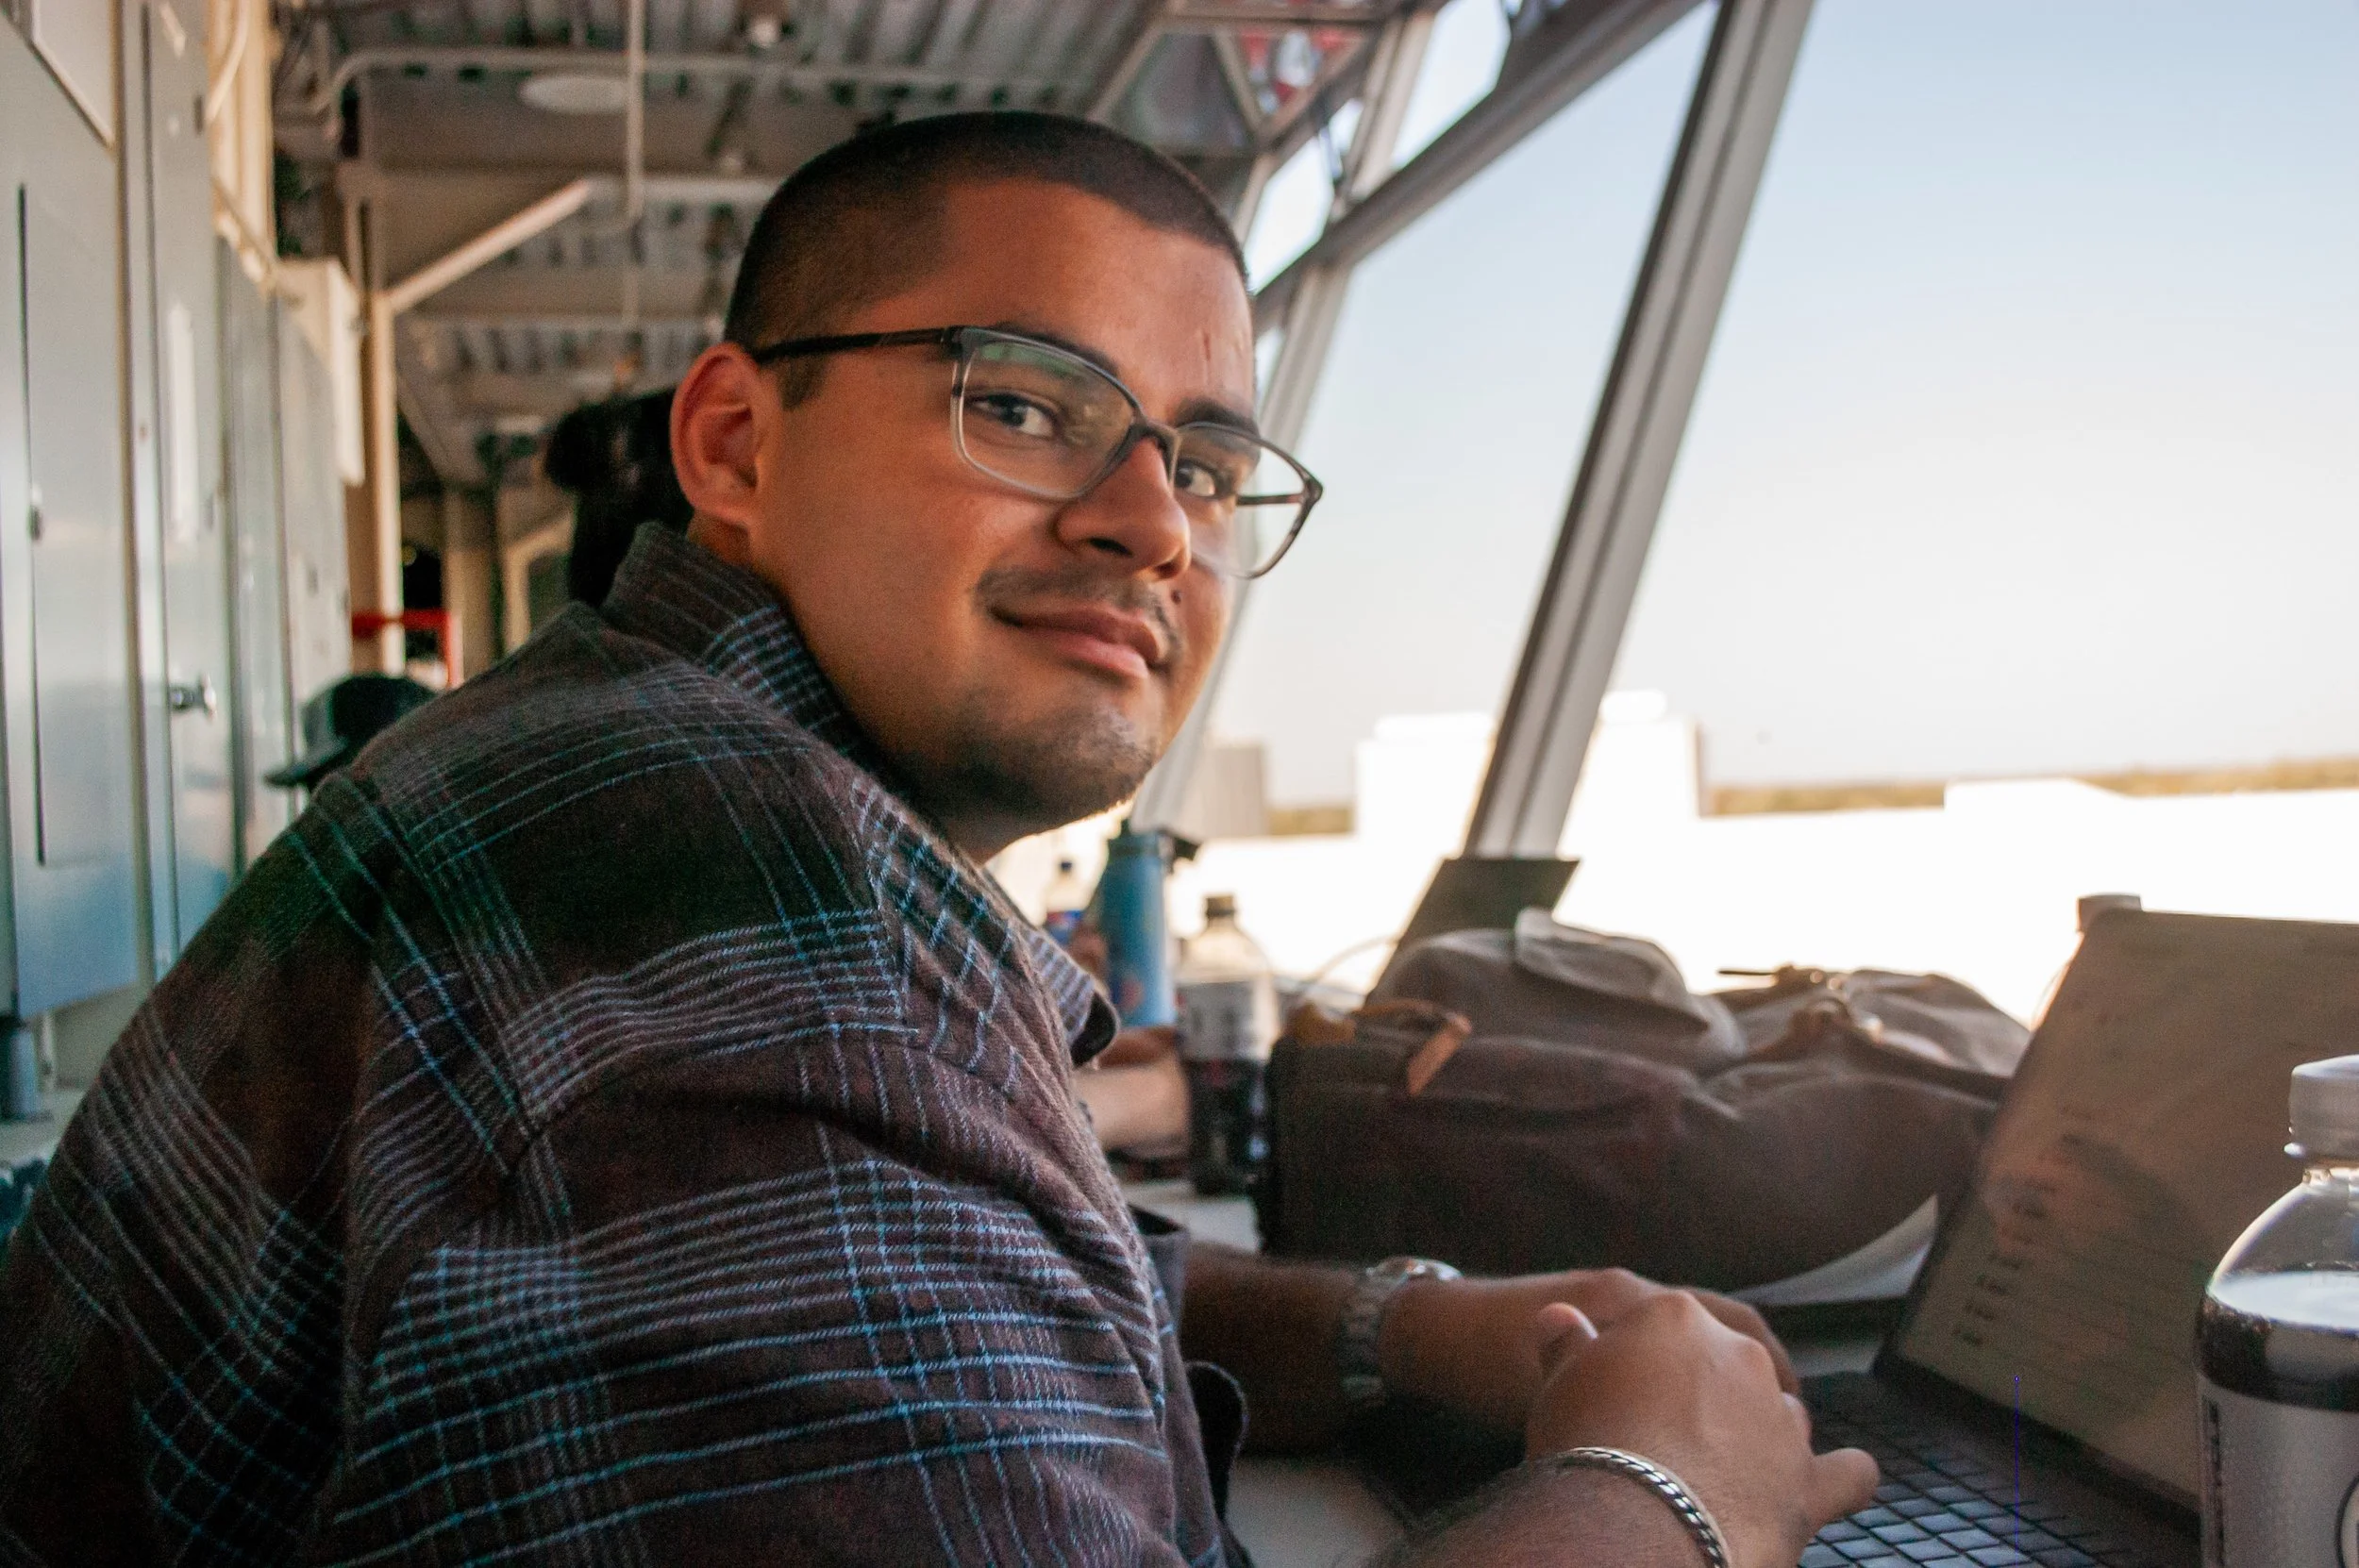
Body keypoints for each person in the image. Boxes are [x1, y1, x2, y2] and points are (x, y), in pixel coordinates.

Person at [0, 113, 1872, 1565]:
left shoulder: (645, 776)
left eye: (1208, 467)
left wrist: (1406, 1326)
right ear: (735, 446)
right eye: (1024, 405)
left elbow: (960, 1269)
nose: (1155, 525)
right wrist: (1668, 1495)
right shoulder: (729, 895)